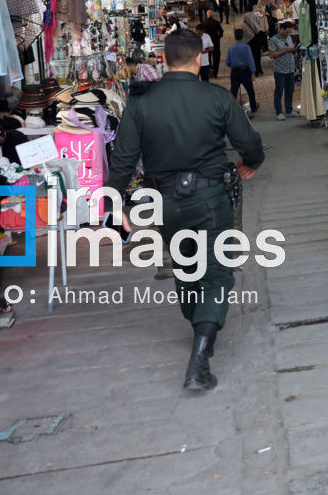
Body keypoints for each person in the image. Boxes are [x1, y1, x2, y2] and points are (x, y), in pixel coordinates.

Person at [106, 28, 263, 391]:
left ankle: (199, 323)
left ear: (163, 60)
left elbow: (123, 159)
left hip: (165, 205)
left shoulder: (141, 103)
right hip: (210, 199)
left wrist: (115, 203)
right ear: (199, 58)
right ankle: (200, 357)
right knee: (218, 271)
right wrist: (252, 160)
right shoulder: (217, 97)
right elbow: (248, 142)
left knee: (186, 266)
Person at [268, 20, 298, 121]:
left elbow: (291, 48)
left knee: (290, 90)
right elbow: (271, 55)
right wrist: (286, 50)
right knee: (279, 92)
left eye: (290, 32)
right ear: (281, 29)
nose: (288, 34)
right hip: (280, 70)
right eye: (287, 32)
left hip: (290, 69)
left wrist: (294, 49)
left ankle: (289, 110)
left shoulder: (288, 37)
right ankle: (279, 112)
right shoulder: (273, 40)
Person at [226, 28, 258, 112]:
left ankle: (231, 109)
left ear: (234, 37)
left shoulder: (231, 48)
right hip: (245, 71)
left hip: (235, 72)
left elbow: (228, 62)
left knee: (233, 91)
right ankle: (253, 107)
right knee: (250, 91)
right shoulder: (246, 47)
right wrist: (253, 72)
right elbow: (250, 60)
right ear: (243, 37)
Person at [242, 1, 268, 76]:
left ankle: (255, 71)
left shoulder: (245, 16)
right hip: (258, 37)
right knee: (257, 54)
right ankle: (259, 68)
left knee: (252, 55)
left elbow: (241, 25)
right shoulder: (255, 15)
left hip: (251, 38)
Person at [201, 9, 225, 80]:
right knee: (216, 58)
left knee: (207, 59)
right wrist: (218, 38)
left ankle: (208, 72)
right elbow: (221, 32)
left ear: (207, 15)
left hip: (206, 45)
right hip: (215, 44)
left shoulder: (203, 23)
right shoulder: (216, 23)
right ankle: (215, 73)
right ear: (213, 15)